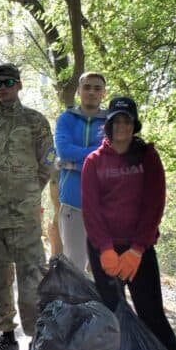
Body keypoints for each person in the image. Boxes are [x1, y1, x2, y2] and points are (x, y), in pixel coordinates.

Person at [81, 95, 176, 350]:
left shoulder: (147, 156)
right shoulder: (94, 161)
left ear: (134, 125)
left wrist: (137, 250)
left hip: (140, 249)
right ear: (108, 124)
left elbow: (154, 203)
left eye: (127, 120)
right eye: (116, 120)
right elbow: (91, 210)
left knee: (152, 314)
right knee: (112, 317)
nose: (121, 126)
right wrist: (106, 250)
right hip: (104, 249)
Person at [0, 63, 55, 350]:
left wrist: (29, 192)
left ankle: (36, 346)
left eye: (8, 82)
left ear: (19, 84)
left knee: (31, 280)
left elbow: (47, 159)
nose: (3, 88)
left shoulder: (35, 121)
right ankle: (7, 341)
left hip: (25, 216)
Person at [54, 72, 107, 276]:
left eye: (96, 88)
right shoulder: (67, 118)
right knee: (74, 267)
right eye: (87, 87)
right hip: (73, 203)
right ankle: (74, 308)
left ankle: (101, 309)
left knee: (104, 269)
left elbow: (110, 156)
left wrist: (73, 165)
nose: (91, 92)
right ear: (79, 91)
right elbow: (64, 151)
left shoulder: (112, 121)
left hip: (105, 205)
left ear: (103, 93)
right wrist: (96, 154)